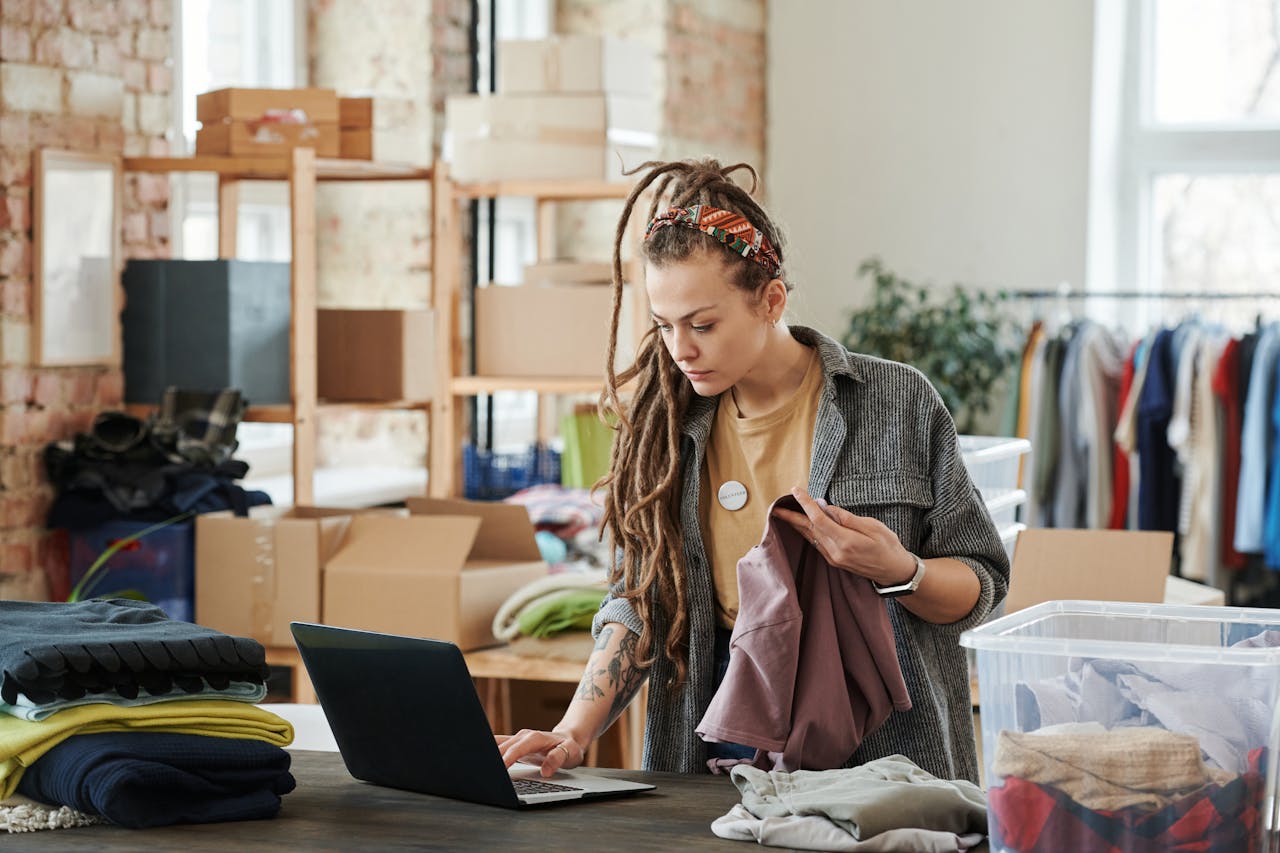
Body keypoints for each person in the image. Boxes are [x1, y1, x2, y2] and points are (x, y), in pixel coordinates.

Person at [496, 158, 1009, 785]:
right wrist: (573, 733)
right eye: (664, 326)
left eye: (703, 324)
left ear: (771, 300)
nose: (681, 349)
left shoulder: (896, 401)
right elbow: (638, 602)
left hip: (885, 757)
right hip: (720, 735)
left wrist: (900, 571)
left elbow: (981, 585)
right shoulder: (660, 428)